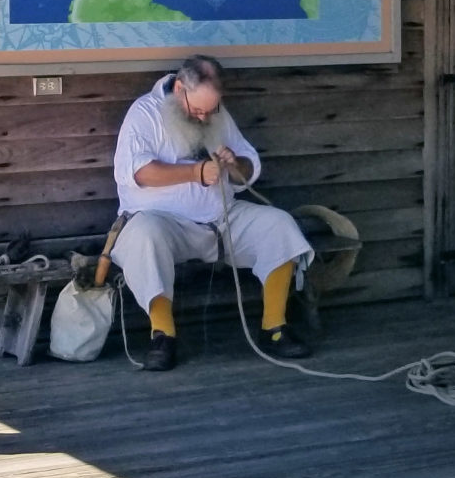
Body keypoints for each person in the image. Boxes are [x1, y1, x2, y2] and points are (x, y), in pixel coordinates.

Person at [110, 54, 313, 372]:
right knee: (143, 235)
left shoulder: (216, 113)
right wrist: (195, 173)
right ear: (180, 89)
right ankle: (163, 335)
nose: (205, 118)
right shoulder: (144, 114)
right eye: (198, 110)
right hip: (165, 223)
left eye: (211, 110)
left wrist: (234, 166)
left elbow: (249, 165)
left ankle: (274, 328)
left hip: (222, 219)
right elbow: (139, 172)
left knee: (279, 225)